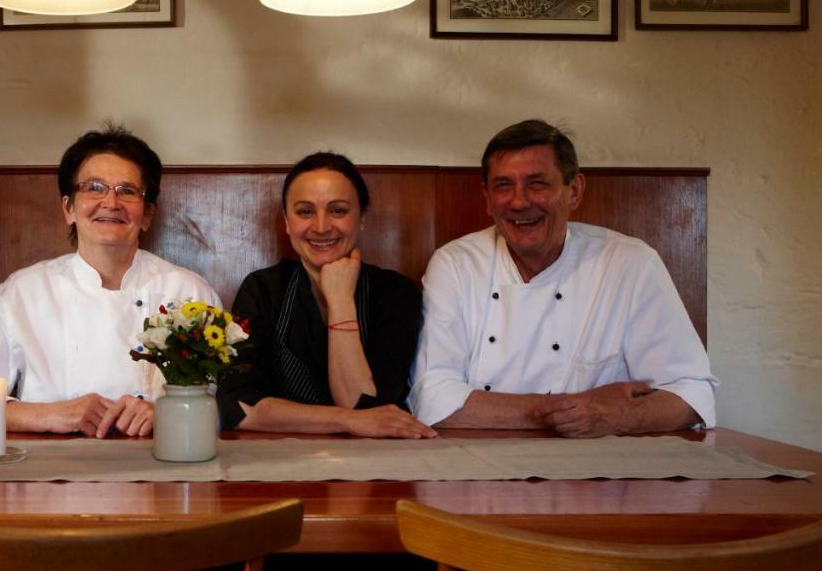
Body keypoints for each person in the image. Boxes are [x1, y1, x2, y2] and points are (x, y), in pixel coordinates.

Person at [410, 119, 717, 436]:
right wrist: (575, 409)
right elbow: (432, 397)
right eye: (503, 185)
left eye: (537, 184)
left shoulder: (630, 262)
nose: (519, 201)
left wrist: (615, 417)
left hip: (599, 470)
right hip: (478, 463)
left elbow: (691, 393)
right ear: (487, 198)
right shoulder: (457, 263)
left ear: (575, 191)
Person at [0, 124, 219, 438]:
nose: (111, 202)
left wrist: (168, 414)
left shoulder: (189, 292)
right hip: (49, 473)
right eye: (94, 187)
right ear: (68, 208)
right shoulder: (22, 294)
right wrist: (45, 415)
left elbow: (223, 405)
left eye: (127, 191)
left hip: (159, 469)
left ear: (146, 215)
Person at [217, 152, 434, 438]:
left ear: (362, 218)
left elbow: (367, 403)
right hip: (277, 464)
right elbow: (239, 406)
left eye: (338, 210)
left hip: (373, 469)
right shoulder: (263, 289)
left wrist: (341, 300)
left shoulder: (395, 292)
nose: (321, 227)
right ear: (287, 221)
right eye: (305, 211)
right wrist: (347, 421)